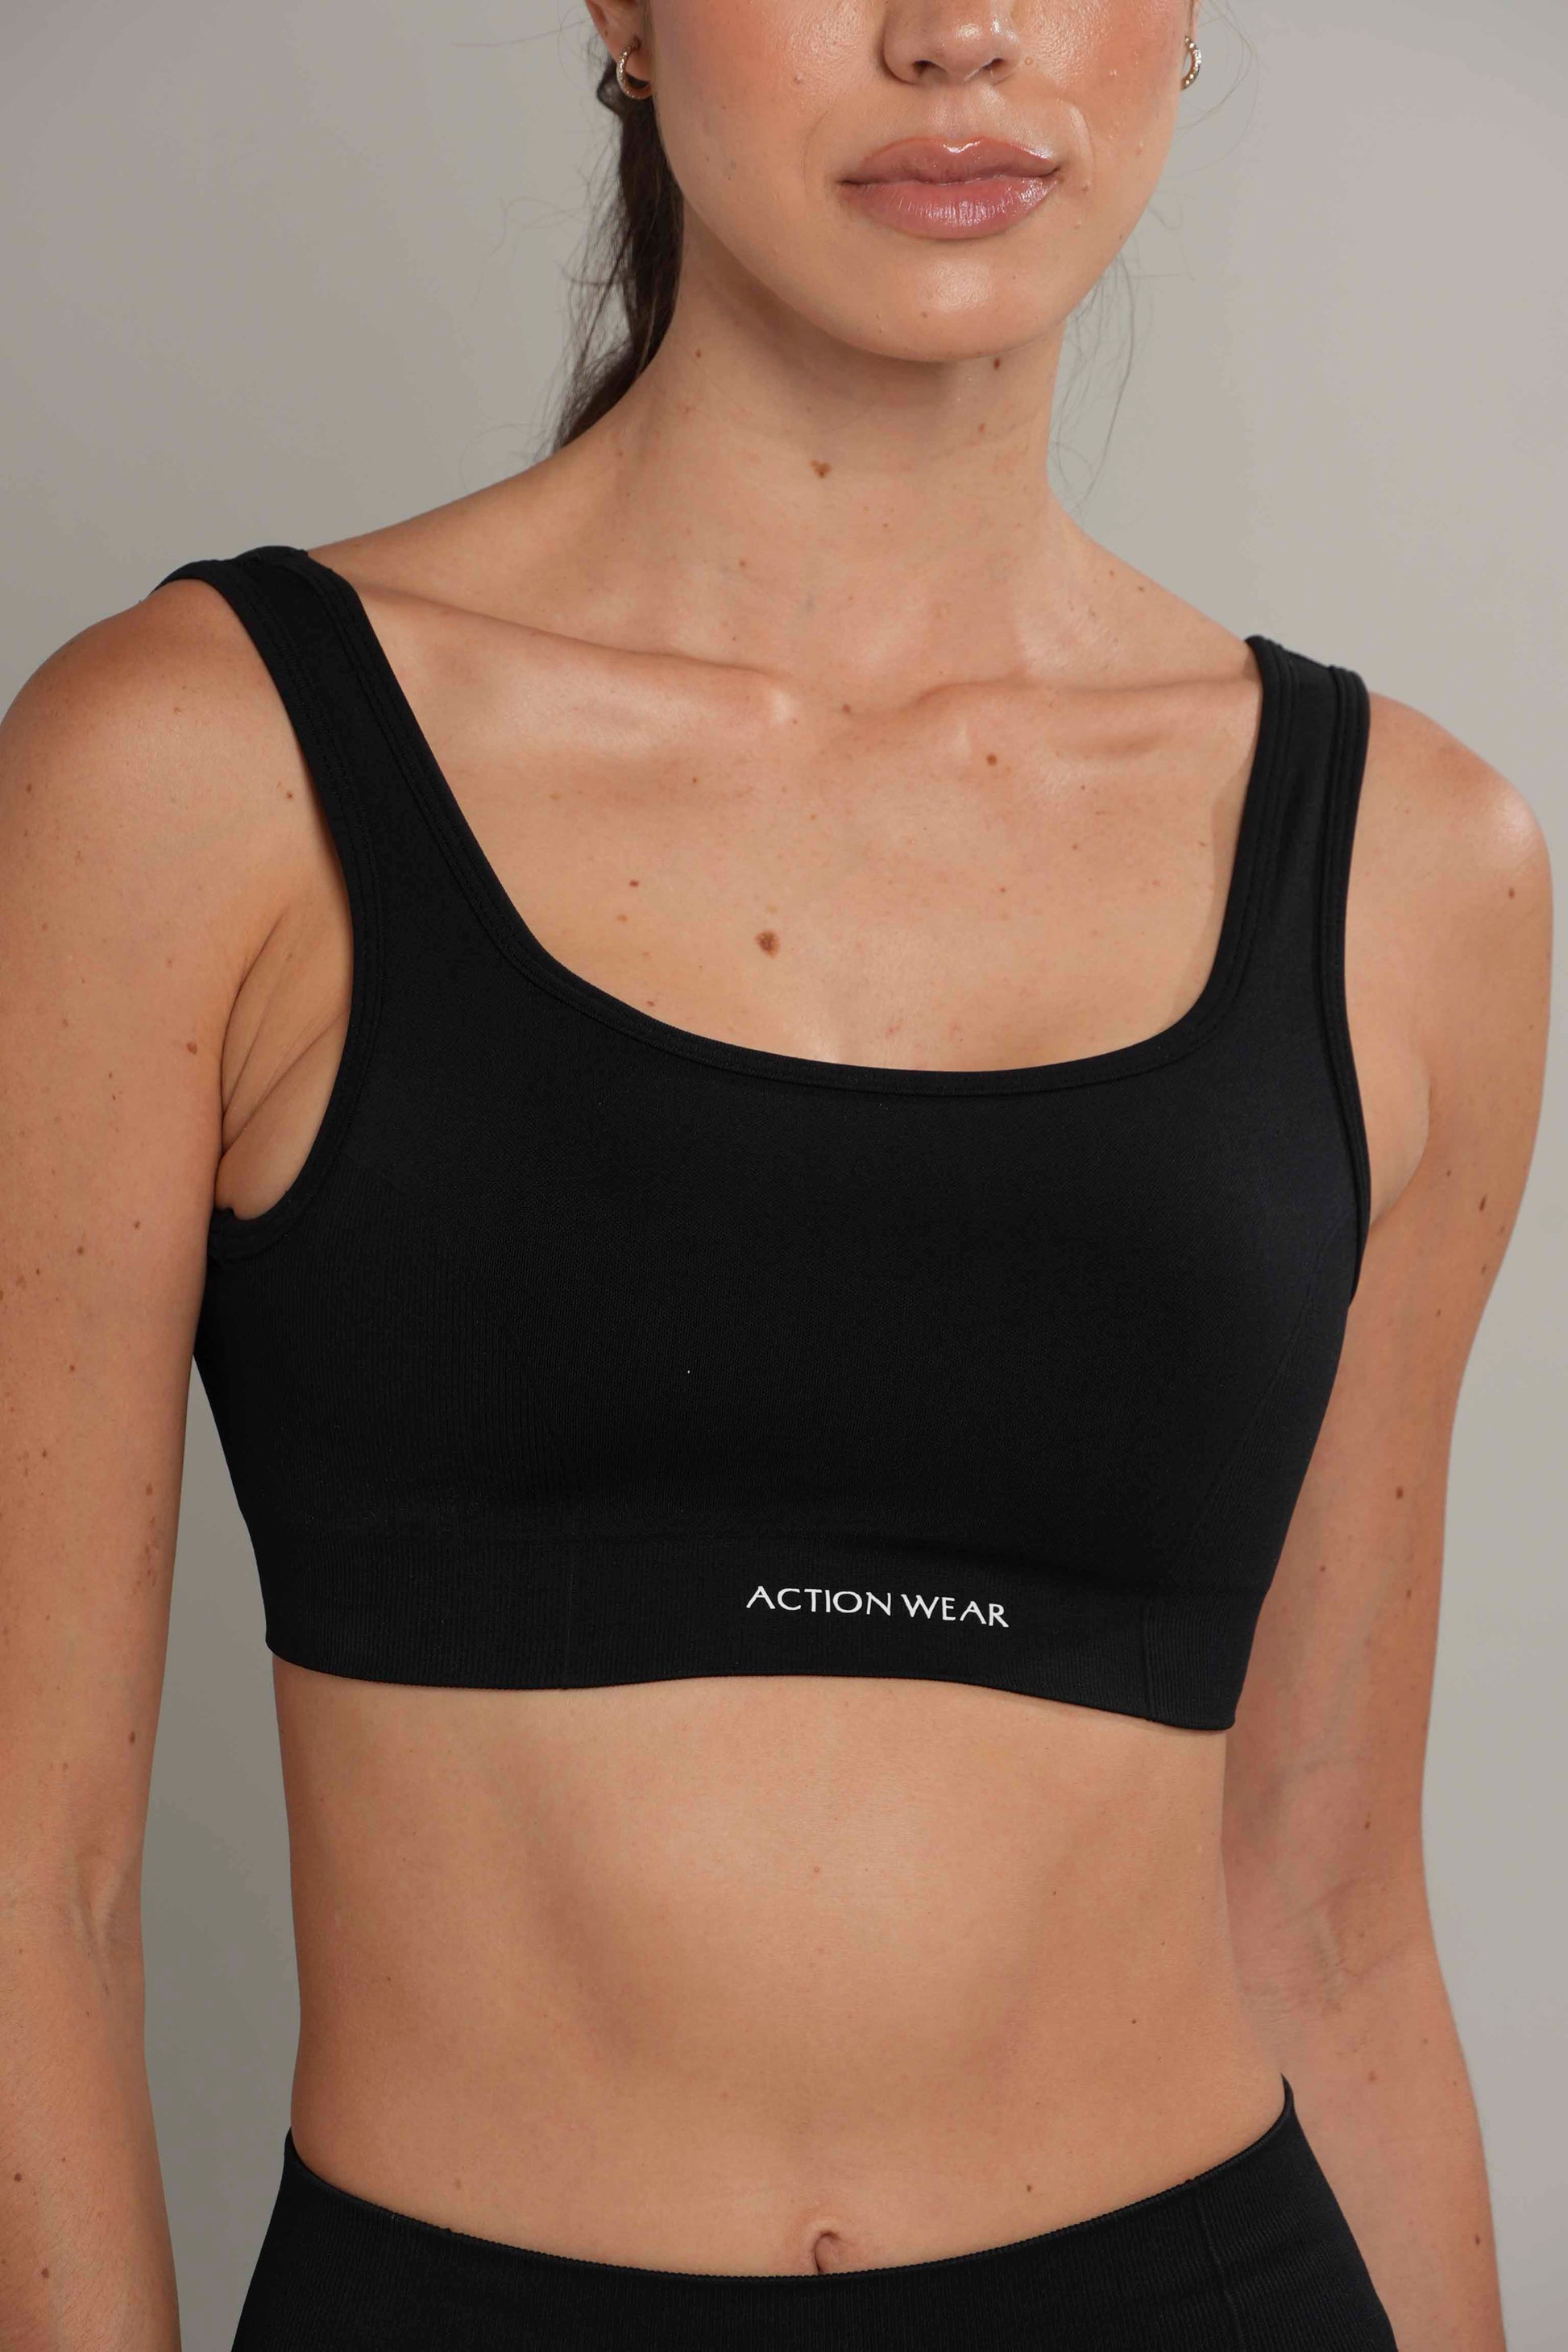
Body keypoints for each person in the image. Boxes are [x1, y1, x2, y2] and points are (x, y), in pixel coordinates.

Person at [0, 4, 1550, 2347]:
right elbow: (39, 1886)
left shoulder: (1416, 872)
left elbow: (1327, 1913)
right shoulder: (196, 769)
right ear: (622, 11)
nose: (959, 33)